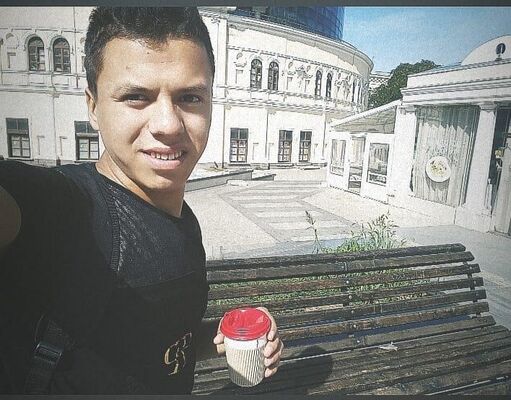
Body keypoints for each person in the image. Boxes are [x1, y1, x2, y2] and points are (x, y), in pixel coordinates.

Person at [0, 7, 282, 394]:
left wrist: (225, 335)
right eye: (136, 97)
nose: (168, 124)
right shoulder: (64, 208)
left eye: (190, 97)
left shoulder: (182, 219)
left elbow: (157, 343)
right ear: (93, 106)